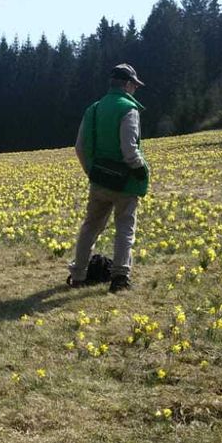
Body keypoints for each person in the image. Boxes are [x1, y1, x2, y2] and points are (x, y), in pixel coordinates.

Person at [67, 64, 150, 293]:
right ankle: (120, 277)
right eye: (134, 85)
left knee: (90, 228)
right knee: (125, 227)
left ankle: (78, 275)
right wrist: (141, 169)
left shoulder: (93, 109)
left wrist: (91, 171)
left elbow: (80, 147)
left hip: (99, 180)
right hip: (125, 182)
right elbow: (129, 149)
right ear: (126, 84)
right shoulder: (128, 110)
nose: (135, 89)